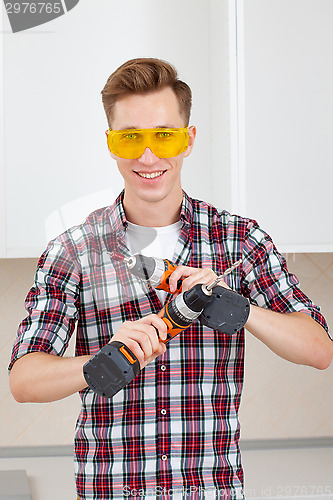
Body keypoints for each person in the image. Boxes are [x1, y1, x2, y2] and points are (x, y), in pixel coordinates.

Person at [9, 58, 332, 500]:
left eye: (165, 135)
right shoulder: (75, 250)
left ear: (189, 139)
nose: (148, 156)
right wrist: (97, 363)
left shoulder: (239, 239)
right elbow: (23, 380)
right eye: (130, 138)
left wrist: (236, 307)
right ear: (110, 143)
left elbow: (319, 349)